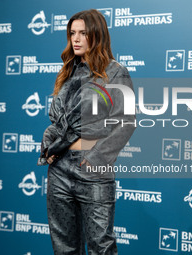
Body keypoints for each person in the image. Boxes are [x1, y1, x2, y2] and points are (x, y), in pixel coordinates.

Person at [38, 9, 136, 255]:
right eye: (72, 33)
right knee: (64, 248)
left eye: (83, 33)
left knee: (101, 247)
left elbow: (126, 122)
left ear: (97, 35)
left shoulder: (115, 72)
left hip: (92, 171)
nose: (76, 39)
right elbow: (58, 122)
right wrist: (49, 145)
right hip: (59, 170)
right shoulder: (68, 71)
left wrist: (93, 160)